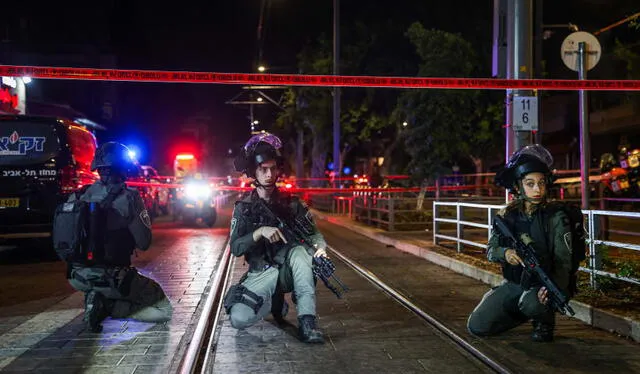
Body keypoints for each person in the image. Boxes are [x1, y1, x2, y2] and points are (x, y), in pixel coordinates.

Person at [225, 132, 327, 344]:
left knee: (301, 253)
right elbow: (235, 248)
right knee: (239, 319)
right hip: (261, 272)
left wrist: (320, 248)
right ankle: (273, 303)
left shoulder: (292, 204)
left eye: (273, 168)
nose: (269, 174)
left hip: (289, 270)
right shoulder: (243, 209)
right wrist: (258, 232)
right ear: (254, 171)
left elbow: (313, 233)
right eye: (263, 169)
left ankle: (307, 323)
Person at [467, 144, 573, 342]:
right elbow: (491, 250)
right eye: (530, 183)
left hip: (543, 284)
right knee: (477, 326)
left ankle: (543, 321)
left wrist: (554, 288)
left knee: (533, 302)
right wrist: (506, 253)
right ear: (518, 186)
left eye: (541, 183)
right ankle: (521, 309)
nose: (537, 189)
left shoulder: (556, 217)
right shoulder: (507, 215)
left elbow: (563, 261)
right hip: (515, 283)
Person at [67, 142, 173, 332]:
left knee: (107, 285)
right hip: (113, 275)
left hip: (77, 276)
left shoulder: (79, 195)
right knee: (164, 310)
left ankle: (96, 298)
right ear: (124, 168)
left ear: (97, 168)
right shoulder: (129, 197)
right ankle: (108, 306)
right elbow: (144, 242)